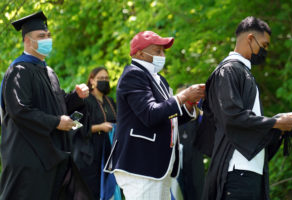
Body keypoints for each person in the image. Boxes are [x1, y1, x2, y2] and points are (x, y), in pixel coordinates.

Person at [199, 16, 292, 200]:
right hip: (237, 171)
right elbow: (232, 117)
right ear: (250, 39)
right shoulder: (228, 71)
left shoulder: (244, 73)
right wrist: (276, 123)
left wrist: (280, 128)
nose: (265, 51)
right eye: (265, 45)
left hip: (252, 172)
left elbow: (249, 126)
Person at [0, 11, 92, 199]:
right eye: (41, 36)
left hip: (53, 156)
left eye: (48, 36)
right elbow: (19, 110)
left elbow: (58, 105)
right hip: (29, 158)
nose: (46, 40)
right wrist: (56, 122)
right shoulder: (19, 71)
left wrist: (77, 97)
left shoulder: (48, 71)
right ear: (27, 41)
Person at [104, 31, 205, 200]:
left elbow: (168, 117)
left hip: (158, 165)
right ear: (139, 53)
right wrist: (182, 97)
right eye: (158, 51)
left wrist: (188, 103)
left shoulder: (160, 80)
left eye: (163, 51)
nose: (162, 56)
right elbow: (150, 114)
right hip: (141, 164)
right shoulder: (133, 75)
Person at [72, 67, 117, 200]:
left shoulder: (110, 102)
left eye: (107, 78)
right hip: (87, 156)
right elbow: (73, 124)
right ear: (92, 80)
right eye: (101, 79)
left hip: (108, 154)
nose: (105, 81)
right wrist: (98, 127)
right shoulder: (84, 101)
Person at [176, 86, 205, 200]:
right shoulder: (174, 118)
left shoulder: (198, 117)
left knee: (196, 190)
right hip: (178, 163)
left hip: (194, 161)